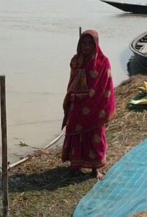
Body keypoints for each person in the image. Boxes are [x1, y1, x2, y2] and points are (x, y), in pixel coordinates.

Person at [61, 30, 116, 181]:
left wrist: (94, 100)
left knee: (95, 135)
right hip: (77, 103)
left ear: (96, 44)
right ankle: (75, 165)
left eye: (89, 43)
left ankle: (94, 169)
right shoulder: (76, 60)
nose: (86, 47)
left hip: (95, 105)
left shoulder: (103, 62)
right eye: (83, 43)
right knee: (74, 132)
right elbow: (72, 81)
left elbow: (106, 86)